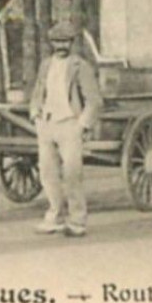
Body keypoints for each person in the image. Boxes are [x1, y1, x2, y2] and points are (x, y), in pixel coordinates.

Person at [28, 22, 103, 236]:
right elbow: (37, 93)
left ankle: (77, 221)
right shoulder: (45, 65)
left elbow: (94, 100)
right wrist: (35, 115)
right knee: (47, 173)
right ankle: (55, 216)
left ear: (71, 43)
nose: (61, 45)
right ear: (51, 43)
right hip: (47, 125)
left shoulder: (81, 66)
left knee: (72, 175)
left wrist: (82, 125)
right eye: (57, 41)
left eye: (65, 41)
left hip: (70, 125)